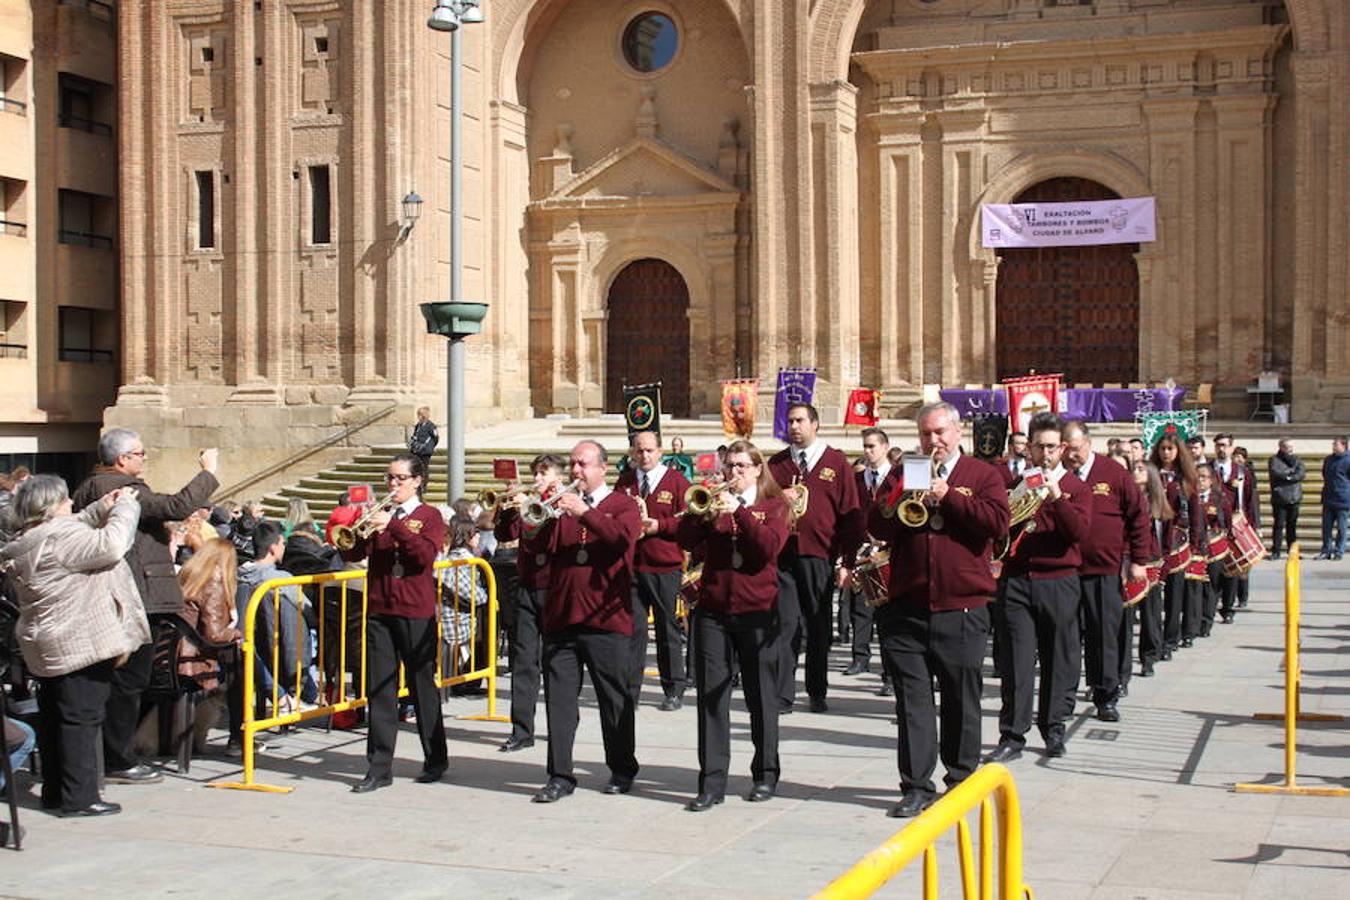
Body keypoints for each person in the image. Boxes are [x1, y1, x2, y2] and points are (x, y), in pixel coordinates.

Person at [867, 402, 1009, 817]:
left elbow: (997, 524)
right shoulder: (906, 470)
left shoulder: (982, 474)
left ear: (958, 431)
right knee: (911, 701)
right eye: (927, 434)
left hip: (961, 606)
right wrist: (898, 496)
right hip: (907, 604)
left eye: (941, 433)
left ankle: (961, 779)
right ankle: (915, 785)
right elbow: (877, 523)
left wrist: (949, 498)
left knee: (961, 698)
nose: (934, 441)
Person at [70, 429, 219, 786]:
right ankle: (118, 757)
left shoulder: (97, 486)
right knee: (129, 679)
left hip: (131, 592)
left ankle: (114, 753)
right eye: (140, 454)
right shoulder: (116, 488)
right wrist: (208, 472)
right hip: (136, 595)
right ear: (122, 459)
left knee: (123, 678)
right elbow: (174, 506)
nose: (143, 459)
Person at [0, 477, 146, 816]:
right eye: (66, 501)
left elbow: (71, 525)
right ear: (51, 507)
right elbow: (112, 543)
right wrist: (126, 506)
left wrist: (101, 507)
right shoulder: (59, 539)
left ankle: (57, 791)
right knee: (81, 718)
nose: (71, 506)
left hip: (47, 642)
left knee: (54, 717)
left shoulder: (29, 540)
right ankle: (80, 798)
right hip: (78, 639)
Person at [676, 440, 789, 811]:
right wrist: (700, 513)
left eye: (741, 466)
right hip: (714, 610)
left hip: (758, 611)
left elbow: (767, 548)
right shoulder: (718, 503)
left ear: (758, 469)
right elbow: (685, 539)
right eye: (729, 466)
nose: (734, 473)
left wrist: (738, 511)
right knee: (711, 696)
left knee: (761, 695)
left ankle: (765, 773)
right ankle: (711, 781)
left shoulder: (774, 505)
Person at [532, 440, 641, 804]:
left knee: (614, 699)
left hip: (606, 620)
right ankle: (559, 775)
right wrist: (534, 513)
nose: (576, 471)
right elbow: (535, 548)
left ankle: (622, 768)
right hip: (562, 618)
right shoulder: (560, 507)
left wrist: (583, 513)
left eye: (583, 464)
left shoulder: (623, 504)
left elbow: (621, 541)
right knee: (560, 703)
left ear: (603, 469)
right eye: (573, 465)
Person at [340, 454, 448, 792]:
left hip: (415, 612)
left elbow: (424, 557)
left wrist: (395, 527)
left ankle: (435, 758)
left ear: (417, 481)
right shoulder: (379, 517)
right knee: (380, 690)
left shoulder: (429, 516)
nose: (393, 485)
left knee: (421, 687)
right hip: (380, 610)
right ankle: (378, 768)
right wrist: (358, 529)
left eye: (400, 478)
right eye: (390, 478)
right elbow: (353, 555)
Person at [988, 412, 1091, 762]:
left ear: (1062, 449)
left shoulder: (1077, 488)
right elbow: (1000, 528)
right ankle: (1012, 735)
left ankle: (1054, 729)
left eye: (1051, 447)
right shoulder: (1018, 484)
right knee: (1016, 660)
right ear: (1028, 449)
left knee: (1057, 658)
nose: (1044, 454)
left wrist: (1058, 496)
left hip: (1058, 582)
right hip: (1017, 581)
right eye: (1038, 447)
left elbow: (1077, 533)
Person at [768, 403, 862, 714]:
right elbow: (763, 508)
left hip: (819, 556)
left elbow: (851, 516)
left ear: (815, 424)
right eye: (790, 421)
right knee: (785, 624)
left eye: (800, 421)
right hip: (783, 556)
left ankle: (817, 690)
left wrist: (848, 561)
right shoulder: (778, 465)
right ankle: (783, 694)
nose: (794, 426)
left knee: (818, 625)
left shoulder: (836, 462)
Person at [1061, 420, 1150, 723]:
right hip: (1065, 571)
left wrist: (1139, 559)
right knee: (1067, 639)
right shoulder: (1058, 475)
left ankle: (1105, 696)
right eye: (1066, 450)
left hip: (1103, 569)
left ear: (1087, 443)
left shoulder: (1113, 474)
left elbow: (1139, 516)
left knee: (1103, 637)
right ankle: (1064, 698)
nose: (1070, 456)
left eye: (1074, 449)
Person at [495, 453, 567, 752]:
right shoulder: (527, 503)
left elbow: (556, 539)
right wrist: (510, 510)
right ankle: (521, 729)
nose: (537, 479)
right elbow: (504, 534)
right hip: (527, 586)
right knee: (523, 660)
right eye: (535, 473)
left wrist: (534, 506)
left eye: (543, 473)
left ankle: (561, 727)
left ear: (558, 476)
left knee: (556, 664)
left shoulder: (566, 500)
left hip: (556, 589)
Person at [615, 430, 691, 710]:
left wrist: (660, 526)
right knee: (632, 631)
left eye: (649, 450)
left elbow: (688, 521)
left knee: (667, 628)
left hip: (664, 566)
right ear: (632, 453)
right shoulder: (624, 483)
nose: (644, 456)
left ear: (660, 452)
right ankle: (630, 691)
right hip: (633, 567)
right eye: (639, 450)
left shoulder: (676, 481)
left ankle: (674, 688)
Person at [237, 522, 317, 716]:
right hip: (278, 646)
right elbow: (308, 612)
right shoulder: (281, 579)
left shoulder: (239, 575)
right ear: (273, 548)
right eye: (282, 542)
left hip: (257, 645)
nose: (284, 547)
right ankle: (301, 693)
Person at [175, 538, 242, 753]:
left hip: (174, 653)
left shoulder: (188, 573)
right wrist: (238, 634)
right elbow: (214, 634)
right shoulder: (214, 579)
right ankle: (238, 736)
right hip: (195, 658)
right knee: (241, 665)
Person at [843, 427, 892, 677]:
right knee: (860, 609)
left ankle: (889, 671)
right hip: (862, 549)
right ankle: (859, 657)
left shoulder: (896, 477)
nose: (868, 451)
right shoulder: (857, 481)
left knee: (887, 615)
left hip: (887, 551)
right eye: (865, 446)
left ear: (884, 447)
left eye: (872, 446)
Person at [1150, 433, 1206, 652]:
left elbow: (1195, 513)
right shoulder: (1151, 473)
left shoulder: (1186, 478)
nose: (1166, 453)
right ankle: (1154, 639)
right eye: (1162, 449)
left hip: (1177, 539)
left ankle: (1170, 639)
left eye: (1170, 449)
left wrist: (1195, 543)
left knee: (1175, 594)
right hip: (1153, 537)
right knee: (1153, 594)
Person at [1132, 461, 1172, 677]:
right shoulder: (1127, 499)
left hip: (1152, 563)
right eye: (1134, 469)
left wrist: (1164, 565)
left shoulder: (1158, 503)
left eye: (1140, 469)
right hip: (1130, 564)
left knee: (1151, 615)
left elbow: (1167, 539)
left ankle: (1149, 658)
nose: (1135, 472)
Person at [1215, 434, 1258, 617]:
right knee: (1214, 569)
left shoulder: (1242, 472)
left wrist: (1254, 526)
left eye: (1225, 445)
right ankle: (1210, 608)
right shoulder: (1207, 470)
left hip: (1236, 526)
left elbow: (1251, 500)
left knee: (1232, 569)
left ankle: (1228, 607)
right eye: (1218, 445)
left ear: (1232, 448)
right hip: (1214, 526)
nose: (1221, 449)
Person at [1195, 464, 1232, 636]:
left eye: (1204, 477)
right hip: (1196, 548)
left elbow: (1228, 523)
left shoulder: (1219, 499)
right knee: (1197, 586)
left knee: (1211, 586)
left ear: (1211, 480)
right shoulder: (1190, 497)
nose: (1200, 480)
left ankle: (1206, 621)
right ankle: (1194, 619)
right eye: (1197, 476)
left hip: (1215, 548)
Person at [1268, 438, 1305, 559]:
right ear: (1281, 447)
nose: (1290, 449)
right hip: (1280, 498)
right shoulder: (1274, 460)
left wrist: (1289, 476)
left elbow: (1301, 474)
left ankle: (1292, 551)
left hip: (1294, 497)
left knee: (1292, 525)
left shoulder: (1297, 460)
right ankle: (1276, 551)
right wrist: (1290, 475)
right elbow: (1276, 473)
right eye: (1288, 447)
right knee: (1278, 525)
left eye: (1291, 447)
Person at [1317, 436, 1350, 561]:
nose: (1334, 447)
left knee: (1341, 528)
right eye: (1333, 445)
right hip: (1328, 497)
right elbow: (1325, 474)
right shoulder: (1329, 459)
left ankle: (1339, 551)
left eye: (1336, 445)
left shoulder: (1348, 460)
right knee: (1326, 528)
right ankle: (1326, 550)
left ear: (1344, 446)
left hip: (1343, 499)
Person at [409, 406, 439, 478]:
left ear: (424, 416)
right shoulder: (418, 426)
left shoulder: (431, 426)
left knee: (424, 468)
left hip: (425, 451)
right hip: (417, 450)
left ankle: (424, 484)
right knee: (417, 467)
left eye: (420, 415)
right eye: (418, 415)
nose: (418, 417)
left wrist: (431, 446)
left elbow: (435, 437)